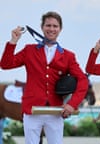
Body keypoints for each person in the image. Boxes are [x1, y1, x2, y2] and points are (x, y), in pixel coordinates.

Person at [0, 11, 88, 144]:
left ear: (60, 29)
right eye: (48, 25)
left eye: (55, 26)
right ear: (42, 27)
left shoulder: (68, 56)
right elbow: (5, 64)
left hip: (55, 111)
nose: (51, 29)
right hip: (32, 110)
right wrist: (13, 41)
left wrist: (72, 104)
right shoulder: (29, 50)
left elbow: (83, 80)